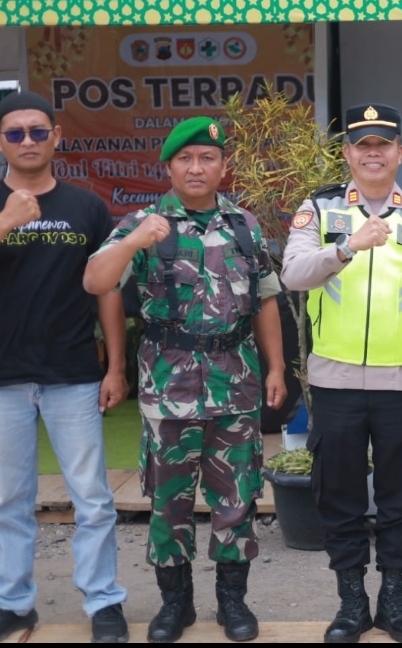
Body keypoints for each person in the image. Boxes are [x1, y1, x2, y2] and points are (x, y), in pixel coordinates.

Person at [83, 117, 286, 643]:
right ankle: (176, 606)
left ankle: (232, 604)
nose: (197, 168)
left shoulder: (244, 224)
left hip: (236, 384)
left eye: (207, 158)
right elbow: (96, 281)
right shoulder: (143, 221)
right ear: (169, 166)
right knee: (168, 501)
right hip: (167, 387)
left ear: (223, 166)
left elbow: (266, 298)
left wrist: (277, 368)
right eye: (185, 159)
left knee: (236, 499)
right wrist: (134, 243)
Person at [280, 103, 402, 644]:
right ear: (348, 154)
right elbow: (292, 274)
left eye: (384, 144)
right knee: (339, 496)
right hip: (334, 384)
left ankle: (395, 600)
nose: (373, 153)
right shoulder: (319, 209)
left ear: (400, 152)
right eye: (363, 144)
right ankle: (352, 602)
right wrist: (345, 247)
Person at [0, 91, 129, 643]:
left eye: (37, 131)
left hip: (73, 372)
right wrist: (4, 222)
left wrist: (116, 365)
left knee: (92, 498)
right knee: (8, 498)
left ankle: (104, 603)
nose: (27, 141)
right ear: (2, 141)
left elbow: (107, 291)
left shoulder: (87, 207)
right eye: (15, 133)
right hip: (2, 376)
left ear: (58, 137)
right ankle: (13, 603)